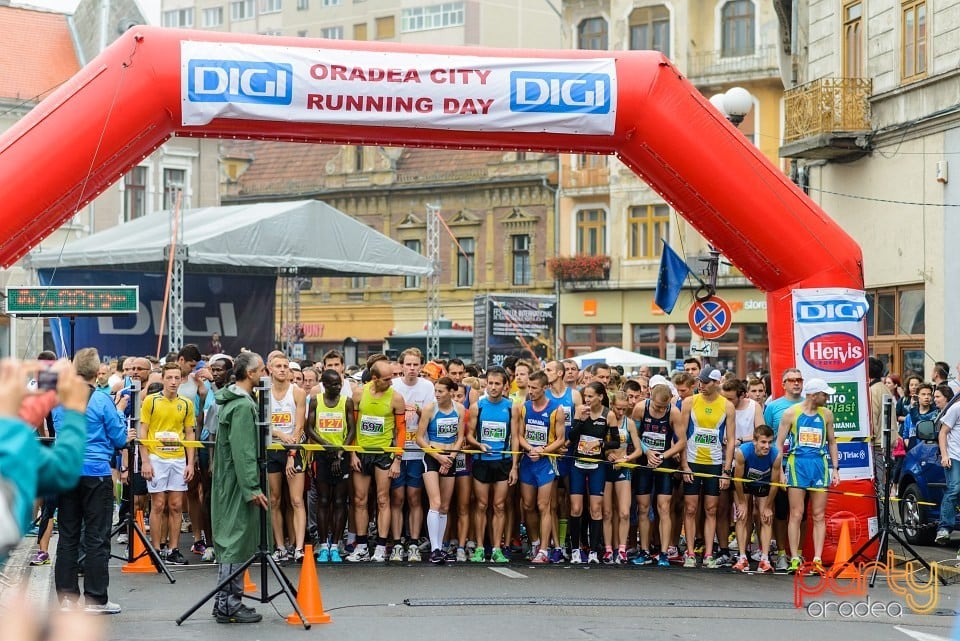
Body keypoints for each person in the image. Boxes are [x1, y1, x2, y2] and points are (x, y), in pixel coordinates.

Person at [54, 347, 132, 614]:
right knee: (97, 537)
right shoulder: (101, 400)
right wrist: (120, 411)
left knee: (67, 536)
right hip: (95, 473)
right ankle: (96, 600)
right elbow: (120, 438)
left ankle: (66, 599)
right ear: (97, 372)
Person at [211, 352, 270, 624]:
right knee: (234, 541)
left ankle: (225, 602)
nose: (264, 374)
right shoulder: (243, 407)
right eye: (261, 370)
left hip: (230, 480)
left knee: (231, 540)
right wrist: (253, 488)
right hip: (237, 483)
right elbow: (244, 451)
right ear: (249, 374)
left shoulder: (235, 401)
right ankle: (228, 605)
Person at [776, 378, 840, 573]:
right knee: (796, 513)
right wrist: (780, 471)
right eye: (824, 394)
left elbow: (832, 442)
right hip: (797, 465)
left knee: (819, 515)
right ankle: (794, 557)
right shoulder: (791, 413)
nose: (827, 397)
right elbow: (778, 443)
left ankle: (817, 559)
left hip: (819, 466)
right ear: (813, 395)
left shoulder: (826, 414)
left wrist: (835, 468)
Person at [347, 360, 406, 562]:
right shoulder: (358, 394)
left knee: (383, 499)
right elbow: (352, 426)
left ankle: (380, 547)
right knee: (359, 500)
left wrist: (397, 458)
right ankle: (362, 547)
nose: (392, 382)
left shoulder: (396, 398)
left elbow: (401, 430)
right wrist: (352, 453)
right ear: (374, 378)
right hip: (361, 452)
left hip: (383, 453)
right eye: (387, 379)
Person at [139, 362, 196, 565]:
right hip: (157, 458)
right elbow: (143, 432)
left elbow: (190, 433)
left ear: (181, 379)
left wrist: (190, 463)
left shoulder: (187, 404)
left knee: (176, 505)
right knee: (158, 504)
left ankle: (173, 550)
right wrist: (145, 461)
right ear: (163, 379)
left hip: (178, 458)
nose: (173, 382)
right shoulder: (151, 401)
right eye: (169, 377)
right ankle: (155, 550)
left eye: (177, 378)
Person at [679, 365, 736, 568]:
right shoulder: (689, 402)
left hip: (714, 464)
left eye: (704, 382)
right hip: (693, 462)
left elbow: (730, 440)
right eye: (699, 382)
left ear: (716, 382)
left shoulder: (727, 406)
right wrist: (684, 464)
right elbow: (681, 436)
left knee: (711, 509)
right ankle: (691, 553)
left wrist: (726, 471)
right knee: (691, 508)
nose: (700, 385)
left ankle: (710, 553)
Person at [631, 382, 686, 567]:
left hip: (664, 460)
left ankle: (663, 552)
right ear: (650, 399)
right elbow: (634, 435)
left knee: (664, 507)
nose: (660, 409)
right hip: (645, 460)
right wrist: (647, 452)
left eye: (664, 407)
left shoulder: (673, 412)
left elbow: (681, 442)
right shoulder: (640, 408)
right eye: (657, 406)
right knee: (644, 507)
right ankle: (644, 550)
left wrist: (663, 456)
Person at [466, 366, 517, 563]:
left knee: (499, 506)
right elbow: (469, 434)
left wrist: (514, 466)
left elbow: (515, 437)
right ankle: (479, 547)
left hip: (503, 462)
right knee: (481, 505)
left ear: (505, 386)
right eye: (490, 383)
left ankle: (497, 548)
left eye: (497, 384)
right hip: (482, 461)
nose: (493, 387)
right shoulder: (477, 406)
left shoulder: (512, 407)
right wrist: (479, 444)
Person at [305, 369, 356, 562]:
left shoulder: (346, 402)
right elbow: (308, 427)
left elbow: (351, 429)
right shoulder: (316, 400)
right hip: (322, 455)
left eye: (339, 384)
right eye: (333, 384)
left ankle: (335, 545)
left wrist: (341, 451)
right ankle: (323, 543)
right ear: (324, 384)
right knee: (323, 500)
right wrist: (326, 446)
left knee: (340, 501)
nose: (337, 387)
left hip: (340, 456)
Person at [389, 347, 435, 562]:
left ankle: (414, 542)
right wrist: (400, 410)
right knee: (397, 498)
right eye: (408, 364)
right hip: (397, 449)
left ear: (421, 366)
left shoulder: (427, 387)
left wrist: (415, 410)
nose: (412, 368)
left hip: (417, 450)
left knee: (415, 497)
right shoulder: (394, 386)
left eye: (416, 364)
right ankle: (398, 542)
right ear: (401, 365)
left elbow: (432, 415)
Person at [516, 370, 565, 564]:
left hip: (546, 462)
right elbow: (519, 435)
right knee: (528, 505)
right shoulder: (524, 407)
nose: (531, 391)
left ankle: (544, 549)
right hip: (528, 460)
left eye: (534, 388)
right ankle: (535, 542)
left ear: (545, 388)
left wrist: (543, 450)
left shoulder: (556, 409)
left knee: (543, 505)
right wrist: (530, 449)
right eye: (529, 387)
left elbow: (561, 439)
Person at [567, 382, 619, 564]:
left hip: (597, 466)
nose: (587, 400)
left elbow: (616, 442)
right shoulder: (580, 410)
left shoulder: (609, 415)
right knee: (576, 508)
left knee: (596, 509)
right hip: (578, 464)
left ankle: (594, 552)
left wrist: (601, 445)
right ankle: (575, 550)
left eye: (590, 396)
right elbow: (571, 437)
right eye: (585, 396)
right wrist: (580, 419)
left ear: (600, 397)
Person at [416, 376, 466, 563]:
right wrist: (438, 456)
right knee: (435, 502)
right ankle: (435, 548)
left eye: (441, 391)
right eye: (435, 391)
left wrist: (450, 458)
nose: (436, 394)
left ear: (450, 392)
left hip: (450, 458)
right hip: (432, 457)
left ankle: (440, 545)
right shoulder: (430, 408)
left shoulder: (459, 409)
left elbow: (460, 437)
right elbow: (420, 439)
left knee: (444, 506)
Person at [265, 352, 308, 563]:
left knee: (296, 500)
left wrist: (292, 453)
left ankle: (299, 547)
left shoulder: (298, 393)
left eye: (286, 366)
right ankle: (280, 546)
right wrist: (279, 433)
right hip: (272, 450)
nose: (282, 369)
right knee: (274, 499)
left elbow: (300, 426)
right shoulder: (264, 394)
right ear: (270, 369)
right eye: (278, 366)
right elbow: (265, 426)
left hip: (294, 449)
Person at [731, 424, 781, 573]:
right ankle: (742, 558)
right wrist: (741, 503)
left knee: (766, 517)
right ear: (754, 441)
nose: (767, 446)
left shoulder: (776, 455)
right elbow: (738, 480)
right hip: (744, 483)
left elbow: (774, 484)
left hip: (763, 484)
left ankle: (764, 559)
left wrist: (767, 507)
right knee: (742, 516)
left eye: (769, 442)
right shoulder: (742, 452)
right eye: (763, 442)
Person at [602, 391, 642, 564]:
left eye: (624, 409)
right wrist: (607, 453)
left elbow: (639, 450)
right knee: (607, 512)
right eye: (618, 408)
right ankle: (608, 549)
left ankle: (622, 549)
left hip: (622, 468)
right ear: (611, 406)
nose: (621, 412)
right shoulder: (605, 420)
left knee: (624, 512)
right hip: (606, 467)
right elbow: (597, 443)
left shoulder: (630, 423)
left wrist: (627, 458)